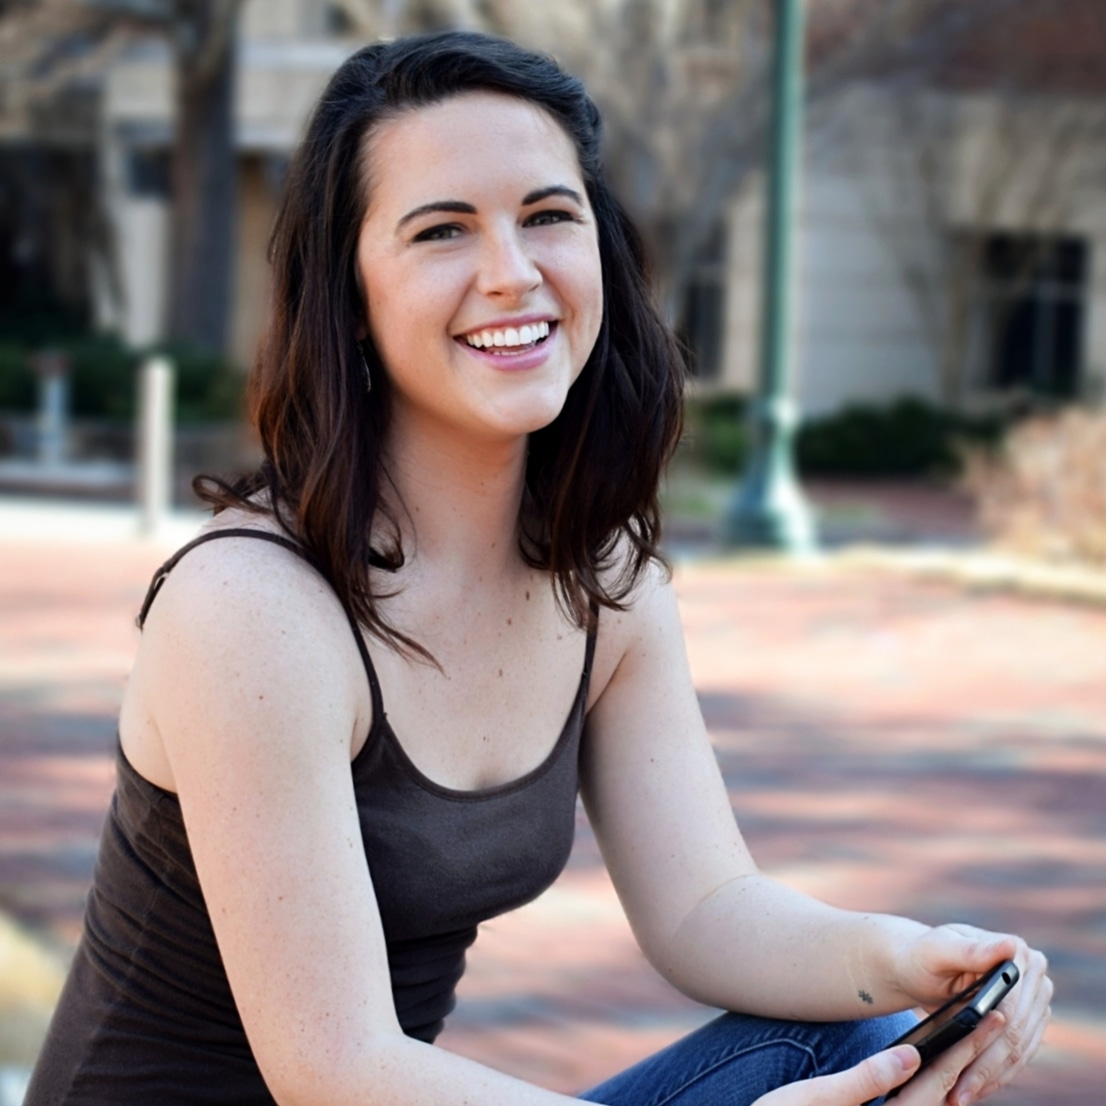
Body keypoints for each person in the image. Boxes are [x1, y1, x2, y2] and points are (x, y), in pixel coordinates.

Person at [26, 31, 1051, 1106]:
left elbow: (704, 903)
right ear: (352, 296)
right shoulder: (250, 608)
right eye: (441, 230)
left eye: (547, 216)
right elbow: (333, 1066)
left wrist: (910, 956)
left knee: (865, 1039)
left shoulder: (601, 583)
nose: (511, 273)